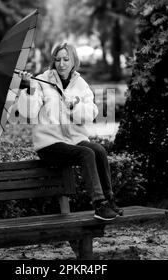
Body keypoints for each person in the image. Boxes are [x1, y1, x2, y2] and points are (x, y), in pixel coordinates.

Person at [16, 42, 123, 221]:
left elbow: (92, 113)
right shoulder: (41, 81)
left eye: (66, 59)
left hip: (73, 140)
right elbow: (29, 113)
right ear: (53, 61)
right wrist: (27, 87)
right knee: (86, 153)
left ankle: (109, 200)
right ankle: (99, 204)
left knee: (98, 150)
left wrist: (74, 106)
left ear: (74, 61)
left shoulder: (80, 84)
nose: (62, 63)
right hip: (49, 144)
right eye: (58, 59)